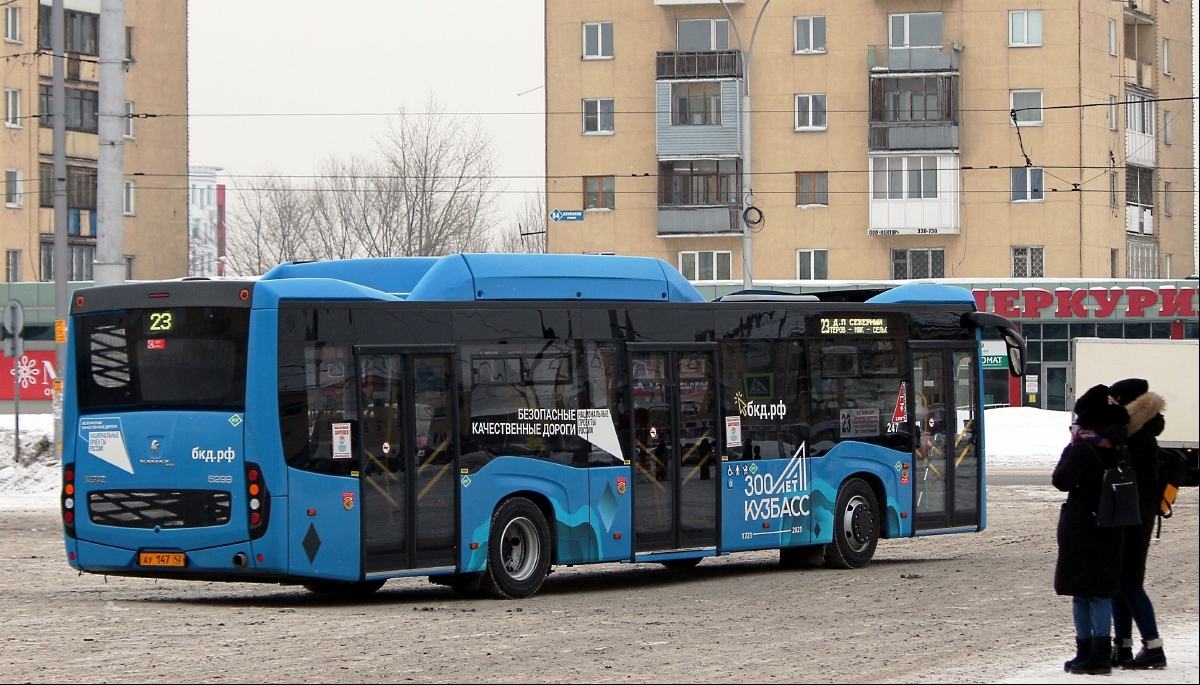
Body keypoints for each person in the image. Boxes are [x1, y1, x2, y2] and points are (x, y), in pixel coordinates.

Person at [1052, 384, 1129, 676]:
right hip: (1111, 525)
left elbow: (1061, 480)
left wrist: (1069, 448)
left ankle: (1088, 652)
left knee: (1082, 593)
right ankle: (1099, 653)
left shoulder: (1083, 448)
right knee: (1100, 592)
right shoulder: (1120, 446)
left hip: (1083, 525)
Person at [1108, 378, 1169, 670]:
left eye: (1114, 400)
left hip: (1135, 518)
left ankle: (1153, 647)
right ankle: (1123, 646)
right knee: (1120, 583)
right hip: (1131, 516)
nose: (1111, 405)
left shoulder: (1138, 437)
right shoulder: (1136, 434)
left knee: (1130, 582)